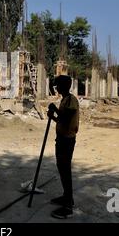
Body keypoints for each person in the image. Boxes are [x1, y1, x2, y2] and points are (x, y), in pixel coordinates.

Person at [47, 75, 79, 219]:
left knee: (65, 170)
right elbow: (61, 120)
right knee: (62, 168)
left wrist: (55, 109)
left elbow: (65, 119)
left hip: (67, 140)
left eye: (58, 85)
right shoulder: (64, 100)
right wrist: (52, 116)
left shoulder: (71, 100)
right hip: (61, 139)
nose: (57, 88)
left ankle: (68, 206)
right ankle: (66, 196)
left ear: (65, 86)